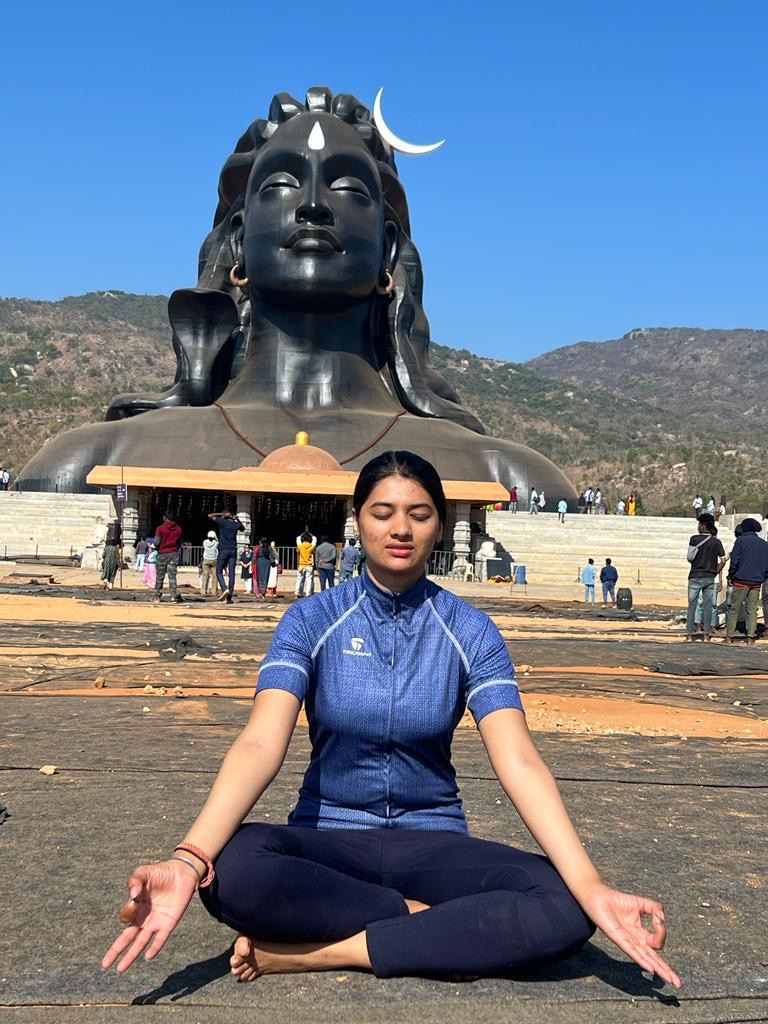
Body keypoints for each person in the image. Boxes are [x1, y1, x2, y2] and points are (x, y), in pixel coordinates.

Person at [102, 450, 680, 989]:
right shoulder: (310, 620)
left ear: (438, 525)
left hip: (432, 839)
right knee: (231, 871)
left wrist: (592, 886)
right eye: (383, 513)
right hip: (327, 836)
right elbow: (260, 741)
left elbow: (520, 760)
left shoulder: (470, 631)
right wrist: (187, 858)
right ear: (359, 521)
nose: (400, 529)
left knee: (565, 907)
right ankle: (428, 923)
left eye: (418, 514)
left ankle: (329, 950)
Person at [723, 518, 768, 645]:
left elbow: (734, 562)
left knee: (734, 609)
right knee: (752, 610)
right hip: (756, 582)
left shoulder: (740, 541)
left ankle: (729, 637)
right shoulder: (764, 544)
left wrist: (731, 576)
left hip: (741, 581)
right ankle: (750, 638)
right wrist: (762, 577)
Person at [685, 513, 726, 642]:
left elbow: (689, 558)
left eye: (699, 524)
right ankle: (707, 634)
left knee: (692, 605)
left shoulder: (694, 539)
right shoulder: (716, 542)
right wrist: (715, 571)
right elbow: (724, 560)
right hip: (709, 578)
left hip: (695, 576)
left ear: (703, 525)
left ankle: (690, 633)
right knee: (708, 606)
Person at [209, 510, 245, 603]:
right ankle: (229, 597)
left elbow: (210, 515)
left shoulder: (223, 522)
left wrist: (222, 514)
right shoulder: (235, 524)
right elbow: (243, 528)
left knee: (219, 571)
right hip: (233, 550)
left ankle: (224, 588)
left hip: (224, 549)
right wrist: (238, 520)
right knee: (232, 573)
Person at [153, 511, 183, 604]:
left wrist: (158, 548)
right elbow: (179, 542)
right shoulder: (178, 529)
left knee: (160, 576)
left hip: (162, 554)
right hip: (173, 553)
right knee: (172, 576)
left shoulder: (160, 529)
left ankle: (157, 596)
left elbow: (156, 542)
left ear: (165, 518)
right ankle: (174, 596)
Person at [295, 531, 316, 598]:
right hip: (309, 565)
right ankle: (308, 593)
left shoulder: (300, 546)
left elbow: (298, 538)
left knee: (299, 579)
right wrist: (310, 533)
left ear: (303, 539)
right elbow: (315, 539)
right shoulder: (311, 546)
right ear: (309, 539)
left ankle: (298, 593)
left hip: (301, 565)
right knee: (309, 580)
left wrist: (303, 533)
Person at [201, 531, 219, 597]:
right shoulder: (216, 543)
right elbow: (217, 542)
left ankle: (203, 591)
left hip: (206, 560)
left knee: (205, 576)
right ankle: (214, 591)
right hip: (214, 560)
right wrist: (216, 538)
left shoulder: (205, 542)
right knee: (215, 576)